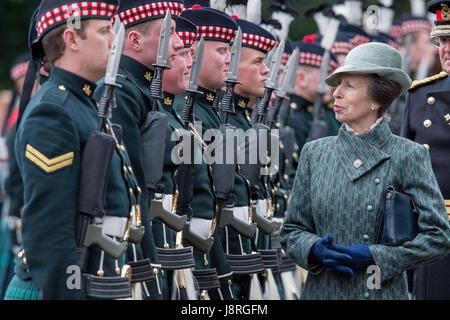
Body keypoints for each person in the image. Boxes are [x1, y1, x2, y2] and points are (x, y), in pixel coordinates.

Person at [280, 42, 450, 300]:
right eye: (338, 85)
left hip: (382, 292)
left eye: (348, 86)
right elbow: (292, 231)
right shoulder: (314, 153)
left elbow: (437, 236)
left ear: (376, 100)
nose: (336, 93)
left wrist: (377, 257)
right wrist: (314, 249)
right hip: (322, 291)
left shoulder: (408, 154)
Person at [4, 0, 142, 300]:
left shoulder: (84, 105)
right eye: (105, 30)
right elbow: (51, 230)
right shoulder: (54, 112)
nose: (114, 39)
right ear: (71, 39)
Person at [94, 0, 185, 300]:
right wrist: (149, 271)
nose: (179, 41)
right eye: (169, 32)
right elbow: (137, 191)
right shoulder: (123, 90)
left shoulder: (142, 90)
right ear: (134, 40)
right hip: (129, 249)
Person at [401, 0, 450, 300]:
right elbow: (403, 177)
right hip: (435, 234)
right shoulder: (420, 96)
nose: (446, 49)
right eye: (442, 41)